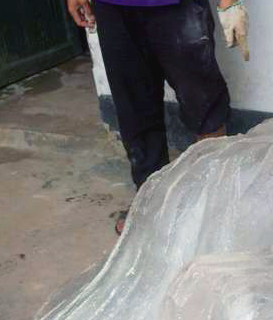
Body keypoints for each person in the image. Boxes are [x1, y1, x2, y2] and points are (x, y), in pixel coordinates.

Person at [66, 0, 249, 234]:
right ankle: (150, 201)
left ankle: (214, 201)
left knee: (202, 100)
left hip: (178, 6)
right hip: (112, 7)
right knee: (133, 105)